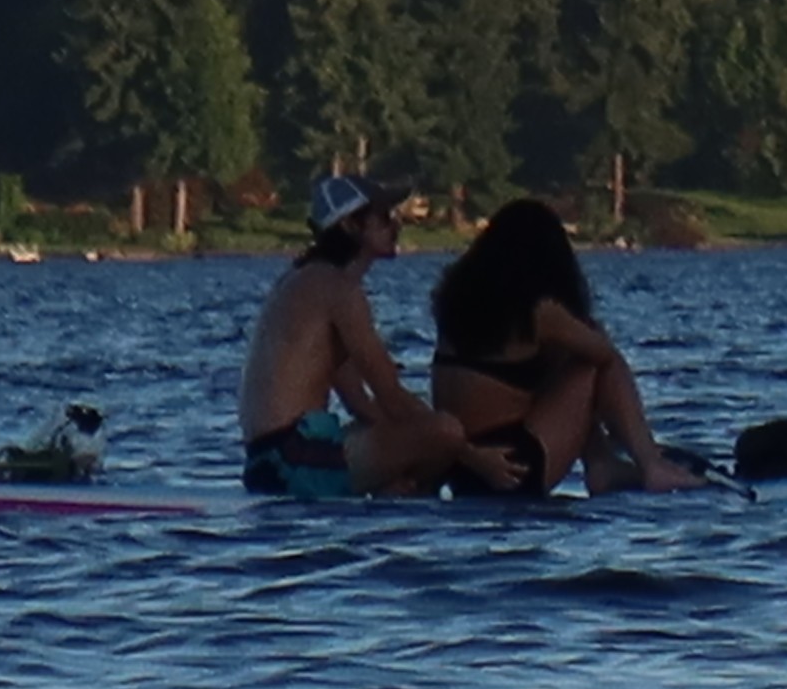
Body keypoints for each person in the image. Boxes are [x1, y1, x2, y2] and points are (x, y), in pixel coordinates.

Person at [235, 176, 494, 497]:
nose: (396, 226)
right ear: (351, 225)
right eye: (384, 218)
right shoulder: (338, 290)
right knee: (445, 430)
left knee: (412, 430)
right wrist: (475, 456)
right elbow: (392, 396)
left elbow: (359, 402)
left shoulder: (307, 280)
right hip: (294, 461)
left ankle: (397, 493)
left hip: (266, 463)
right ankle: (406, 500)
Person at [428, 197, 709, 492]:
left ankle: (603, 464)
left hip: (464, 470)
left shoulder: (454, 303)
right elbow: (605, 356)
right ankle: (649, 465)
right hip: (515, 467)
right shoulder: (538, 311)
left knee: (567, 354)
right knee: (595, 357)